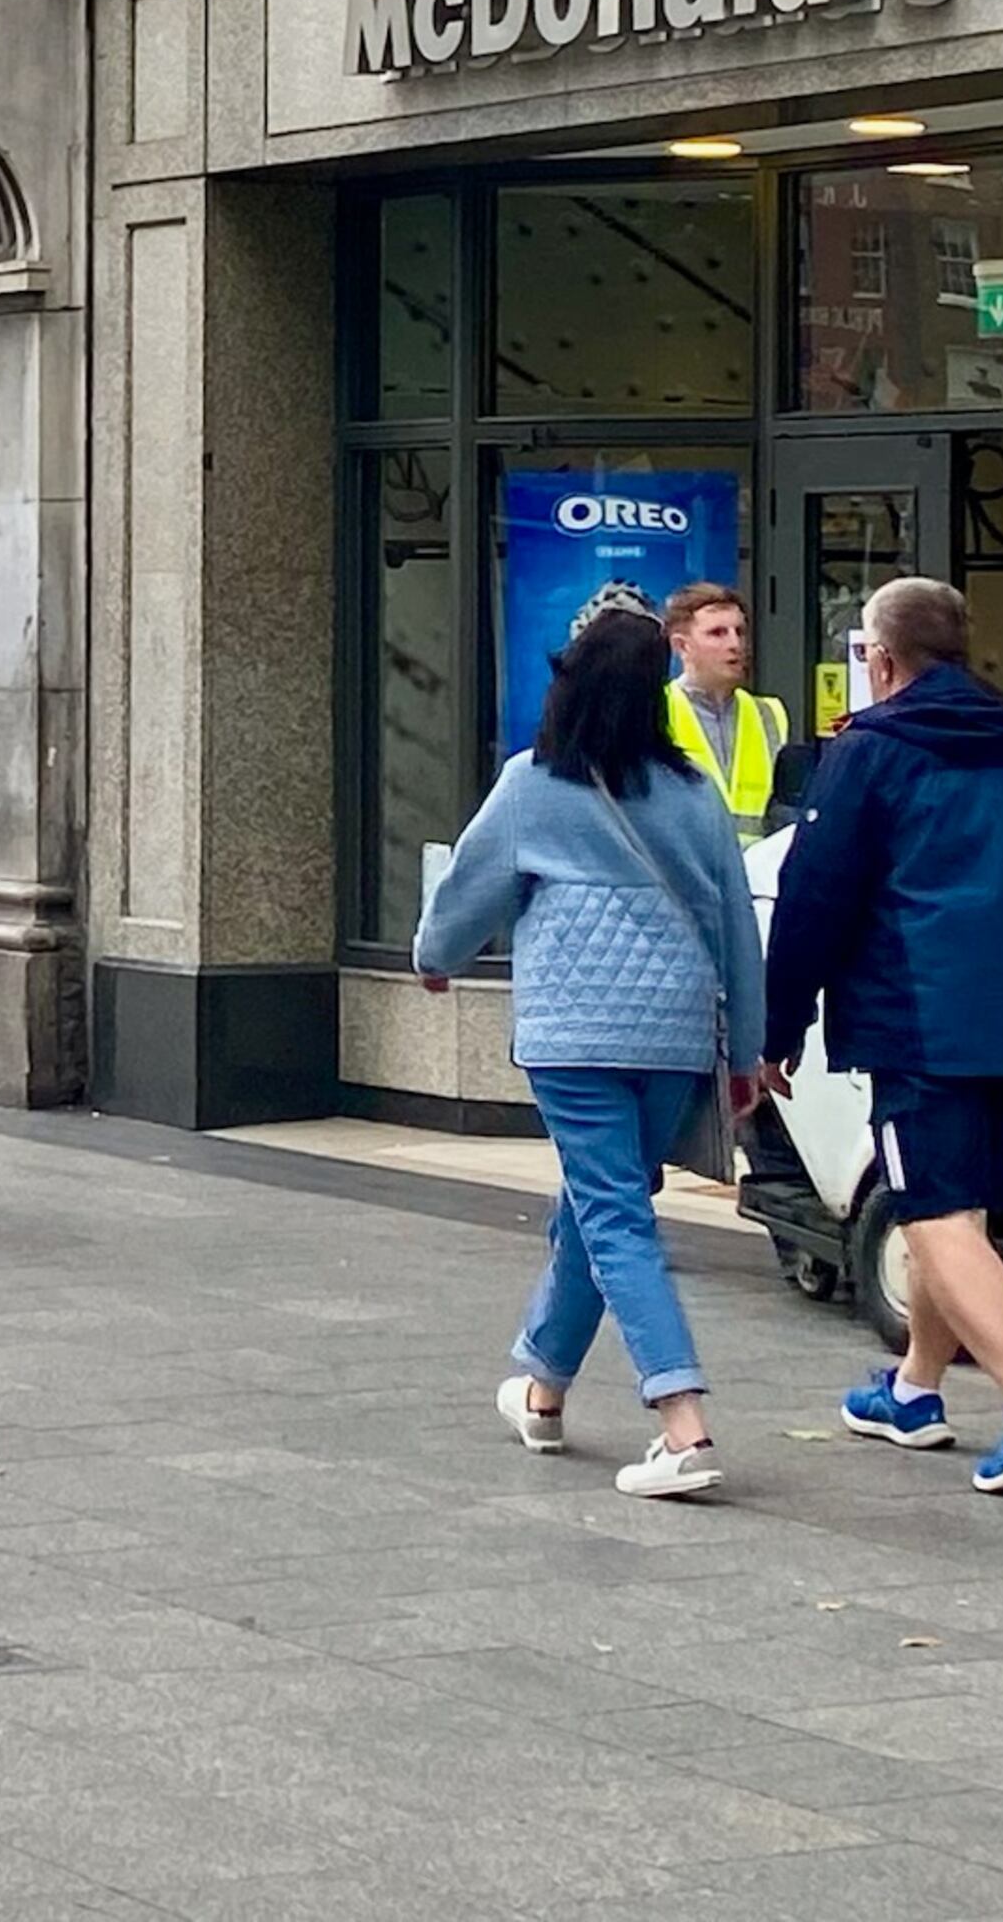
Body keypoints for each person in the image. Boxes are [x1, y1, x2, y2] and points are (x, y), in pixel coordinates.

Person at [760, 577, 1003, 1497]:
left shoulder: (871, 754)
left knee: (933, 1209)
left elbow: (816, 900)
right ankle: (913, 1389)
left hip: (920, 1015)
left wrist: (776, 1030)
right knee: (960, 1207)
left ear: (881, 659)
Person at [417, 599, 766, 1500]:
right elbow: (736, 927)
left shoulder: (535, 781)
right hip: (677, 1035)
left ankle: (683, 1424)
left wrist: (436, 959)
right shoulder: (694, 791)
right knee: (598, 1203)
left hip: (576, 1034)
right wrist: (747, 1055)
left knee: (614, 1215)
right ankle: (541, 1389)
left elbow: (468, 891)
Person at [662, 581, 789, 841]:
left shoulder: (769, 713)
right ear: (682, 646)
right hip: (683, 872)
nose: (735, 644)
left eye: (740, 632)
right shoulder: (655, 709)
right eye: (718, 633)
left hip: (754, 873)